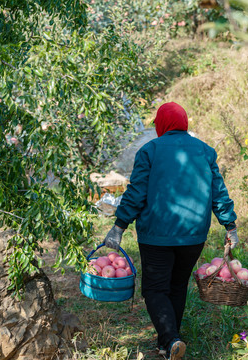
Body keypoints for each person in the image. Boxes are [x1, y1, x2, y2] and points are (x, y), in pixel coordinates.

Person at [103, 102, 239, 360]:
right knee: (176, 285)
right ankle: (168, 345)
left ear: (160, 125)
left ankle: (171, 339)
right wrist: (229, 225)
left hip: (157, 234)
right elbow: (218, 193)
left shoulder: (150, 150)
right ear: (184, 123)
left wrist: (119, 225)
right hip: (193, 235)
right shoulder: (205, 151)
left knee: (155, 289)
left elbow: (137, 192)